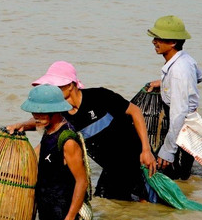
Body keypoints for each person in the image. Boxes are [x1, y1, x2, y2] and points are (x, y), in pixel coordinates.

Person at [8, 61, 156, 201]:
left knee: (145, 204)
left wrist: (146, 150)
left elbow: (135, 112)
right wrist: (22, 125)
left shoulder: (100, 96)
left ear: (71, 85)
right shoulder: (62, 113)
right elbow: (43, 122)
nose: (53, 91)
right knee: (110, 205)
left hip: (135, 159)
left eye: (56, 86)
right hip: (110, 169)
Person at [16, 84, 91, 220]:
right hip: (47, 209)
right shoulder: (49, 131)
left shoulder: (67, 141)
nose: (36, 116)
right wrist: (19, 127)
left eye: (41, 113)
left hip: (59, 214)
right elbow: (36, 156)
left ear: (55, 111)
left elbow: (82, 182)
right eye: (35, 112)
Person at [148, 14, 202, 180]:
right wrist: (166, 82)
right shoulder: (185, 58)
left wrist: (168, 150)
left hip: (182, 123)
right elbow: (199, 76)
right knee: (184, 172)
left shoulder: (179, 70)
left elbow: (178, 113)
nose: (154, 42)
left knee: (178, 175)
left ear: (173, 43)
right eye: (154, 38)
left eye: (159, 39)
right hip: (187, 120)